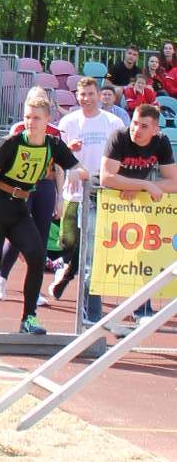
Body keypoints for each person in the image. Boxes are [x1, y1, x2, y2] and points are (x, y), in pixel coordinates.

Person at [0, 92, 80, 334]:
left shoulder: (53, 145)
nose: (31, 122)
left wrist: (78, 174)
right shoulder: (11, 143)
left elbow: (78, 167)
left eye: (36, 118)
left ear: (47, 120)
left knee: (37, 256)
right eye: (27, 117)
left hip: (19, 207)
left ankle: (28, 318)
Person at [100, 104, 177, 326]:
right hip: (104, 201)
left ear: (155, 129)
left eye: (144, 126)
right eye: (134, 123)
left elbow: (174, 182)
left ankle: (142, 309)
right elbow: (107, 178)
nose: (136, 129)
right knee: (92, 258)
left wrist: (141, 188)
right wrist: (143, 184)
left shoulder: (161, 142)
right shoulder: (119, 137)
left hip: (134, 203)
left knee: (143, 255)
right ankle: (89, 311)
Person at [52, 74, 120, 325]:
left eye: (91, 94)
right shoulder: (68, 122)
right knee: (69, 242)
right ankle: (67, 268)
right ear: (77, 96)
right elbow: (57, 159)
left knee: (92, 249)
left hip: (101, 192)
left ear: (99, 95)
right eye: (83, 94)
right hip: (74, 192)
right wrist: (69, 150)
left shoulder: (112, 122)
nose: (87, 99)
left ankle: (89, 309)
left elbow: (120, 156)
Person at [0, 91, 64, 306]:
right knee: (17, 235)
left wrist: (60, 197)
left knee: (41, 238)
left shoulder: (55, 134)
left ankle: (34, 289)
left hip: (45, 185)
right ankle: (1, 278)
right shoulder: (18, 129)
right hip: (22, 186)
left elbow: (59, 167)